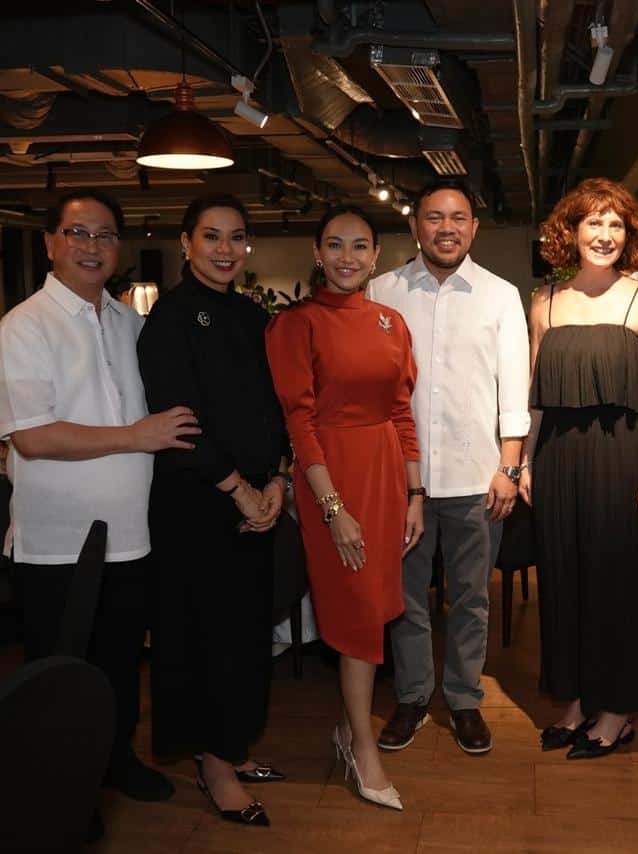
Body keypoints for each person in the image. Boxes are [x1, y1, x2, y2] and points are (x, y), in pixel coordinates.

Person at [0, 188, 199, 804]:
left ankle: (115, 761)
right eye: (78, 233)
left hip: (131, 533)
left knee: (121, 661)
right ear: (50, 243)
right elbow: (33, 437)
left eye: (104, 235)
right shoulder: (24, 327)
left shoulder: (131, 323)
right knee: (58, 671)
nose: (92, 246)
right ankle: (56, 788)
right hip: (58, 542)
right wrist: (136, 435)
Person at [137, 194, 290, 827]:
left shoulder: (253, 316)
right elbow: (181, 423)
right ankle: (212, 763)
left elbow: (276, 407)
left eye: (236, 237)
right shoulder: (169, 320)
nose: (225, 249)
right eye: (212, 237)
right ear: (186, 243)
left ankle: (232, 744)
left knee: (245, 635)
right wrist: (240, 488)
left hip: (257, 501)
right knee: (201, 636)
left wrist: (277, 477)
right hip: (198, 505)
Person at [265, 205, 424, 810]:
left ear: (376, 256)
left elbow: (402, 412)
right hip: (330, 475)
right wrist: (332, 509)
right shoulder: (295, 325)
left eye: (360, 246)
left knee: (377, 606)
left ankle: (350, 733)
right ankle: (363, 745)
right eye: (335, 245)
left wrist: (415, 494)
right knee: (357, 610)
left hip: (385, 474)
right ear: (317, 251)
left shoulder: (391, 322)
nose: (348, 257)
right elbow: (299, 424)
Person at [368, 178, 530, 756]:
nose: (446, 228)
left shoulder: (500, 295)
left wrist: (509, 469)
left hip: (476, 478)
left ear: (474, 228)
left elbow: (514, 389)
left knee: (470, 598)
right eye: (434, 217)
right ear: (416, 225)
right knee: (406, 598)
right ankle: (412, 696)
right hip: (401, 481)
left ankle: (462, 699)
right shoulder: (382, 291)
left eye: (458, 218)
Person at [521, 178, 638, 759]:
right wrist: (528, 461)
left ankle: (617, 709)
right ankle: (577, 700)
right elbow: (536, 395)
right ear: (571, 231)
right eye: (594, 222)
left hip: (621, 456)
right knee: (562, 583)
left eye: (616, 224)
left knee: (618, 584)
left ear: (628, 235)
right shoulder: (545, 302)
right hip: (557, 458)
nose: (605, 234)